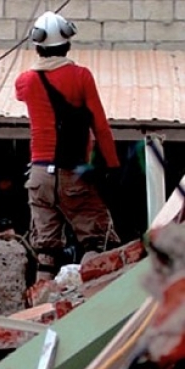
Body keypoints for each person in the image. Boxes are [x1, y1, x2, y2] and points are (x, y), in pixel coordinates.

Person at [15, 10, 120, 281]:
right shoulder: (81, 76)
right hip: (73, 172)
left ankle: (41, 309)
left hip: (38, 176)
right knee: (98, 242)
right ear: (68, 43)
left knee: (46, 250)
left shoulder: (25, 80)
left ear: (37, 45)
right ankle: (95, 298)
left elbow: (20, 94)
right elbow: (100, 125)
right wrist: (111, 164)